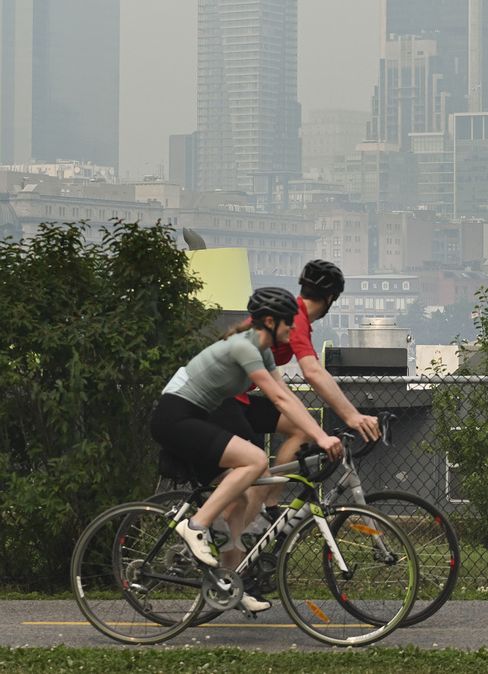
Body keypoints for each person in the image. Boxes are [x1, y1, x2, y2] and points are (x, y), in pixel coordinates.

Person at [150, 286, 342, 614]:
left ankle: (228, 584)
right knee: (255, 460)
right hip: (175, 416)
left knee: (238, 501)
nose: (293, 328)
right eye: (288, 323)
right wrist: (321, 438)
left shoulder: (263, 353)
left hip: (195, 417)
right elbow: (280, 400)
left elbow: (288, 399)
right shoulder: (243, 348)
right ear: (270, 321)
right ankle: (195, 526)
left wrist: (316, 432)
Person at [208, 260, 380, 518]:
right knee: (258, 472)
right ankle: (241, 536)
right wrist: (352, 416)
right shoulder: (295, 317)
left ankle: (270, 507)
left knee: (300, 428)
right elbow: (313, 372)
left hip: (237, 397)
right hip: (222, 399)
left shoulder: (294, 316)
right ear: (331, 298)